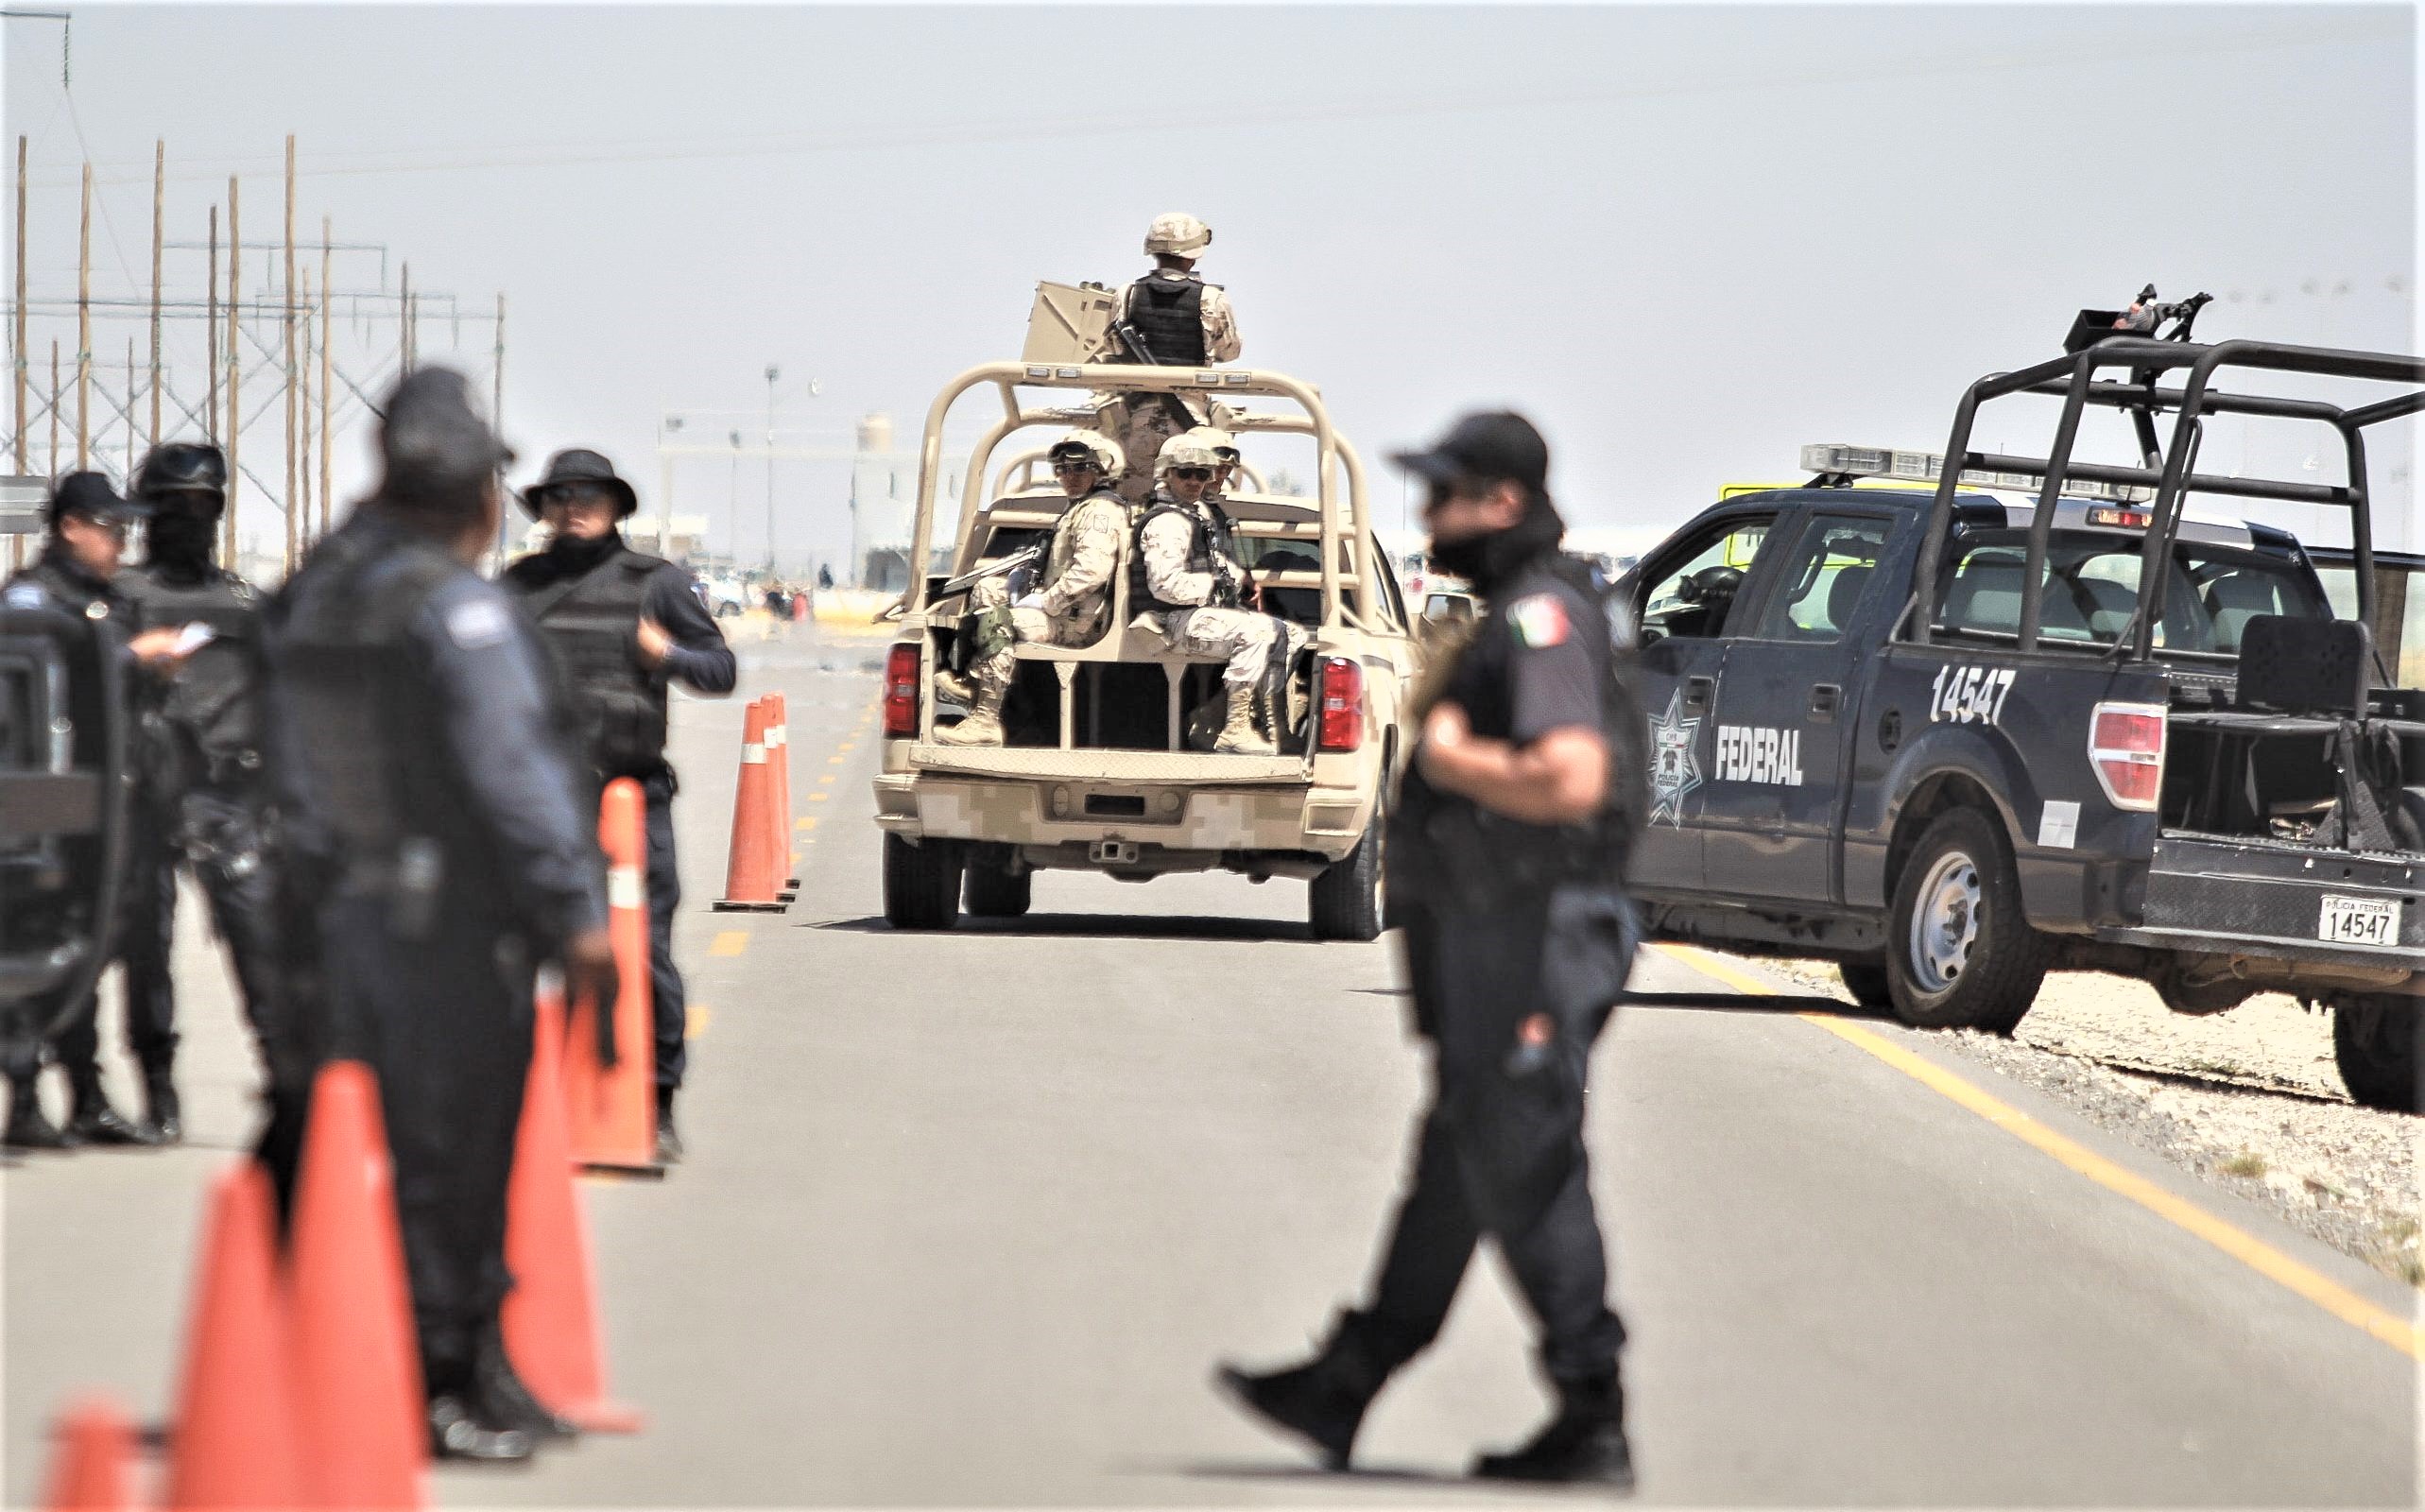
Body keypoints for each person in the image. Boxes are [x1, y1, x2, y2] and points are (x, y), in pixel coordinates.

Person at [1218, 411, 1648, 1486]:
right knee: (1460, 1161)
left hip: (1539, 934)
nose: (1427, 515)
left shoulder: (1543, 616)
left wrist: (1452, 763)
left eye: (1445, 493)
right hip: (1503, 933)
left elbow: (1571, 779)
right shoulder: (1516, 609)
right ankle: (1350, 1375)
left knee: (1528, 1166)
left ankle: (1590, 1407)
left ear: (1501, 500)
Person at [261, 368, 616, 1462]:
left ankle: (424, 1361)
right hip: (448, 926)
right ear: (472, 492)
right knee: (452, 1160)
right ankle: (440, 1378)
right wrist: (577, 914)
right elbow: (511, 774)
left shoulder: (314, 591)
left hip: (325, 916)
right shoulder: (452, 606)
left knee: (316, 1142)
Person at [501, 448, 735, 1164]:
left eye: (589, 494)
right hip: (536, 800)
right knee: (519, 956)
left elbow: (720, 670)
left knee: (641, 953)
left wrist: (663, 655)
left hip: (628, 800)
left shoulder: (653, 584)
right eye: (560, 494)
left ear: (615, 505)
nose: (574, 505)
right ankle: (524, 1106)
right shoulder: (516, 587)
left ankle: (654, 1102)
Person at [1, 473, 189, 1149]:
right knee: (48, 941)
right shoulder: (32, 597)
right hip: (56, 809)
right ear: (72, 527)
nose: (121, 543)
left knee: (129, 947)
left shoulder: (109, 600)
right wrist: (129, 657)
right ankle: (24, 1099)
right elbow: (42, 677)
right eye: (111, 529)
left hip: (125, 805)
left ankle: (92, 1098)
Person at [114, 443, 285, 1145]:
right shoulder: (119, 603)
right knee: (144, 948)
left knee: (258, 941)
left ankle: (286, 1084)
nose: (188, 517)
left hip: (228, 797)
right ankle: (159, 1092)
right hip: (141, 800)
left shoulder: (246, 604)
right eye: (172, 504)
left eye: (202, 504)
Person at [932, 429, 1129, 747]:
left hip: (1077, 622)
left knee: (997, 623)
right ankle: (977, 685)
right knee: (986, 590)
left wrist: (1045, 601)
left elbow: (1091, 571)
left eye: (1080, 468)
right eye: (1062, 470)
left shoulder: (1100, 512)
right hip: (1065, 610)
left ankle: (985, 720)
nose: (1070, 477)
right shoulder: (1079, 508)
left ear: (1101, 470)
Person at [1131, 434, 1303, 755]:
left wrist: (1238, 580)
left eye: (1202, 474)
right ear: (1166, 474)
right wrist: (1215, 587)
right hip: (1167, 620)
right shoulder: (1168, 522)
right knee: (1255, 632)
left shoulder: (1193, 515)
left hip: (1190, 614)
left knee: (1290, 634)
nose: (1195, 481)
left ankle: (1273, 726)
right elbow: (1164, 585)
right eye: (1185, 473)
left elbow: (1214, 561)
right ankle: (1234, 727)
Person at [1103, 213, 1242, 504]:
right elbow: (1230, 350)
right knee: (1190, 505)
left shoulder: (1126, 294)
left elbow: (1111, 345)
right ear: (1194, 255)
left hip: (1133, 416)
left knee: (1132, 507)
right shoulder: (1212, 299)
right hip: (1189, 418)